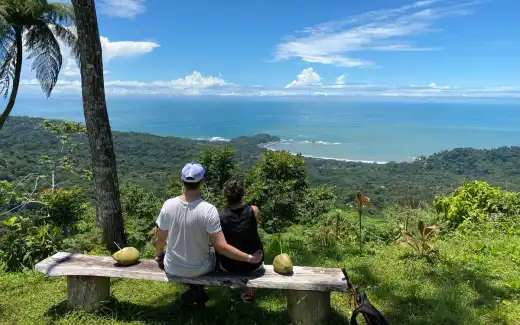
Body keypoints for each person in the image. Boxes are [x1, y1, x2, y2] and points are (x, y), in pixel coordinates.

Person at [154, 162, 263, 306]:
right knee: (212, 252)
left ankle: (195, 290)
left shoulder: (168, 205)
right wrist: (249, 258)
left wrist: (159, 255)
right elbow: (221, 247)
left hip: (172, 266)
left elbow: (160, 240)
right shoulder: (209, 209)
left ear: (182, 181)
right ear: (202, 182)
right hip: (201, 267)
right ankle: (198, 289)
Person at [217, 177, 264, 302]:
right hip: (255, 264)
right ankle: (247, 291)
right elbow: (249, 232)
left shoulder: (219, 216)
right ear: (243, 194)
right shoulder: (254, 210)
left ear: (225, 195)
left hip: (229, 266)